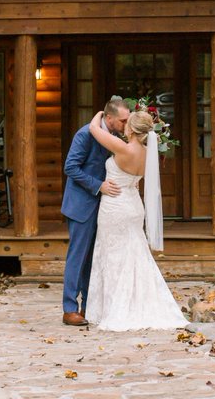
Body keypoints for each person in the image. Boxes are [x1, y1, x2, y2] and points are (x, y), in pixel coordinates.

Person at [83, 109, 188, 331]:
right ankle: (142, 303)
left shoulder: (123, 148)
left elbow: (93, 128)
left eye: (127, 123)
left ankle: (115, 308)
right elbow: (136, 180)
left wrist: (102, 113)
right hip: (133, 205)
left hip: (115, 206)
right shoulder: (148, 154)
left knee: (113, 257)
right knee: (136, 256)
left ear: (131, 128)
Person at [60, 97, 129, 326]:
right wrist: (98, 185)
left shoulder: (115, 136)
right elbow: (70, 167)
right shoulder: (85, 135)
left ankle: (89, 306)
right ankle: (69, 309)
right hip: (81, 205)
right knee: (77, 258)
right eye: (122, 121)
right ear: (108, 118)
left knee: (94, 259)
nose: (125, 125)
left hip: (103, 207)